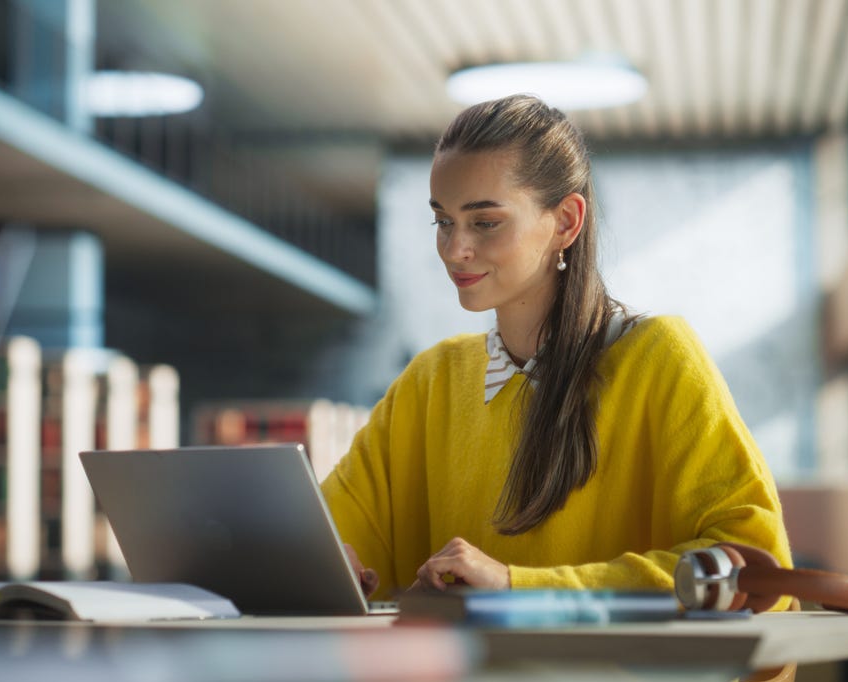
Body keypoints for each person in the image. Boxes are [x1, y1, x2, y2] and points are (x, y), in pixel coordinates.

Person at [320, 94, 792, 604]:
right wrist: (329, 562)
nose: (455, 248)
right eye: (443, 220)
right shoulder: (430, 382)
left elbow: (758, 568)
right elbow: (332, 534)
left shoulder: (660, 358)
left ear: (566, 221)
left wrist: (517, 587)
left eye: (485, 222)